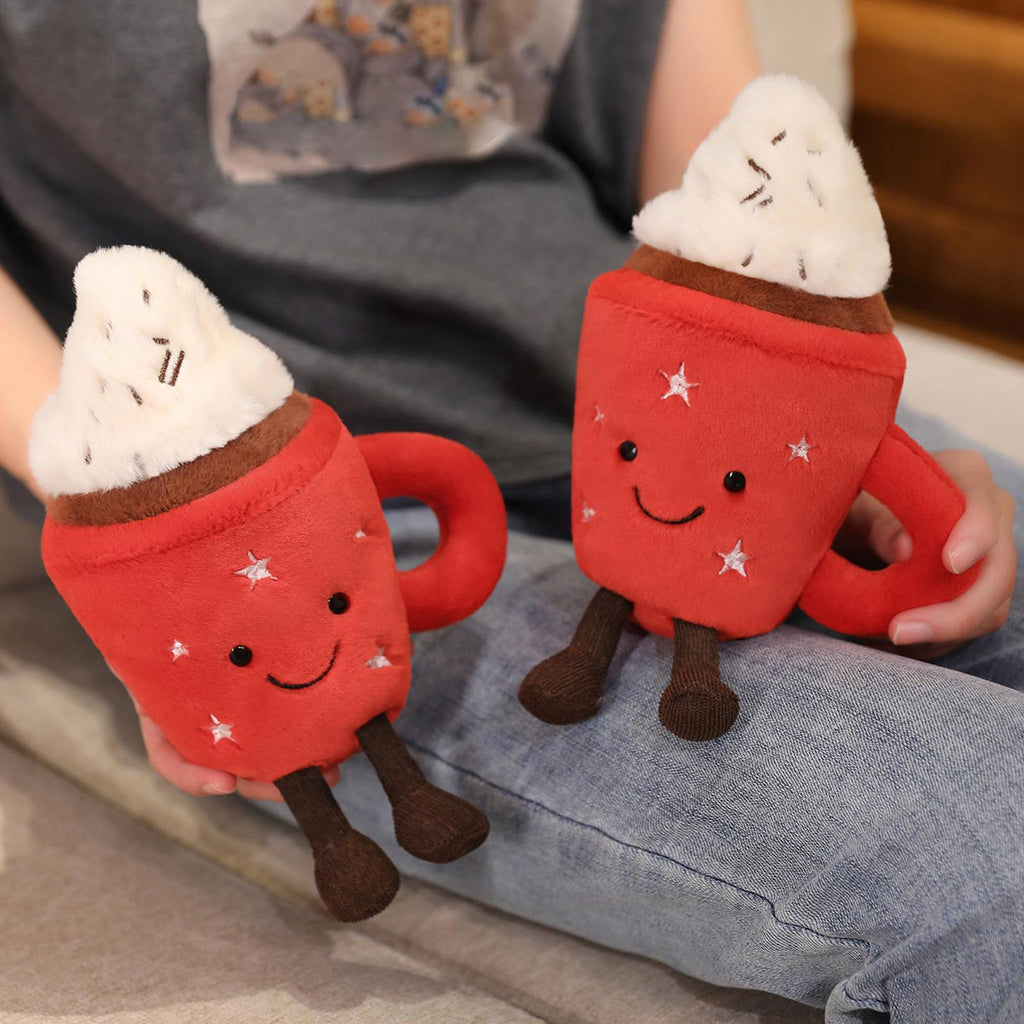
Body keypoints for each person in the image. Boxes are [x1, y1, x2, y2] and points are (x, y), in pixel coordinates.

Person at [0, 2, 1020, 1020]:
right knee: (984, 843)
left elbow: (736, 160)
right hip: (295, 522)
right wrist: (142, 542)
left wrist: (807, 428)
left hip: (675, 405)